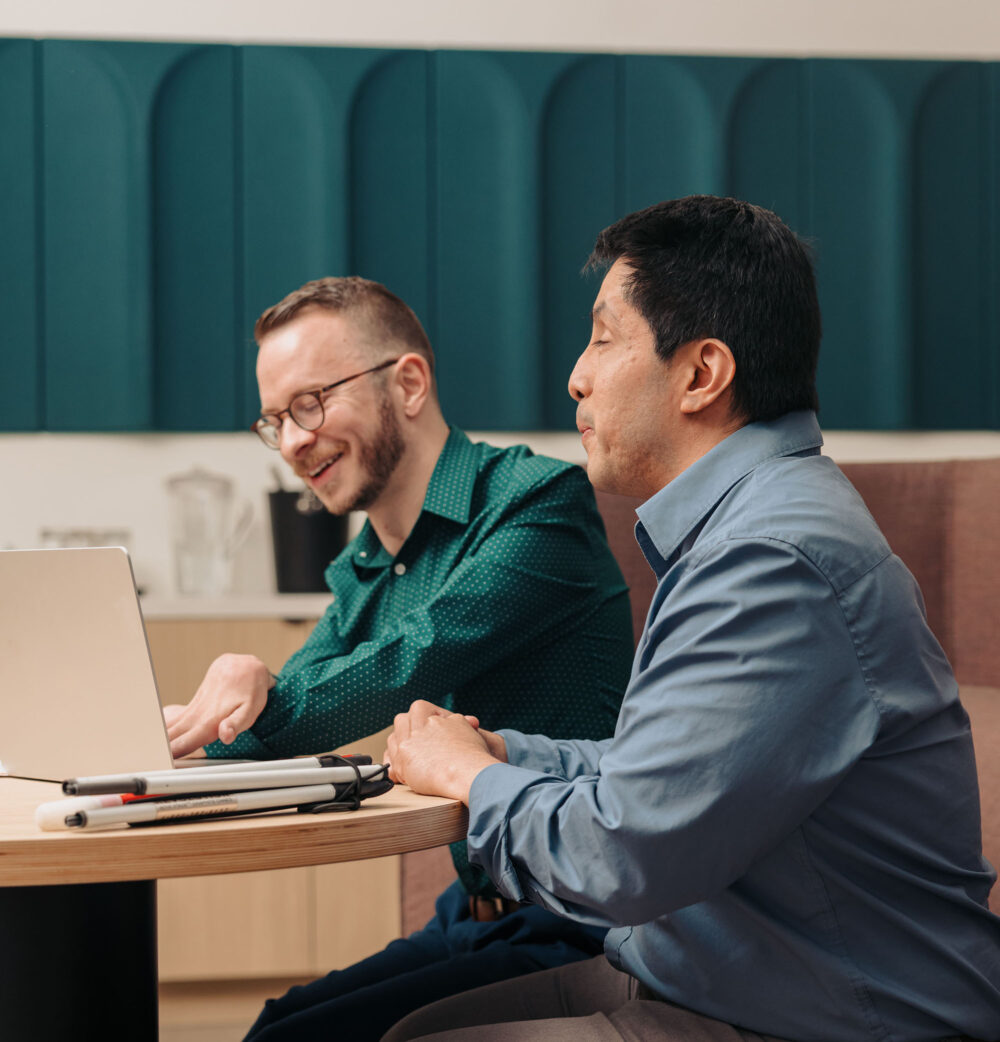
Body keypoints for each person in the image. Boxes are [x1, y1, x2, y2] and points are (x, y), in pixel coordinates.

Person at [382, 196, 1000, 1042]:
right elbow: (664, 774)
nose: (576, 375)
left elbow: (625, 857)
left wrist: (470, 779)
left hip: (831, 1016)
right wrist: (507, 752)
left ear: (702, 375)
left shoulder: (774, 561)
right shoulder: (749, 527)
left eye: (604, 336)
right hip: (712, 977)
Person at [162, 276, 635, 1040]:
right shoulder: (366, 565)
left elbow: (395, 668)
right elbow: (297, 698)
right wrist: (237, 697)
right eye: (276, 420)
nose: (291, 442)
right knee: (280, 1022)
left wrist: (212, 721)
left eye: (310, 404)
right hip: (477, 912)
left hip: (584, 923)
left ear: (408, 383)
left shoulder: (536, 503)